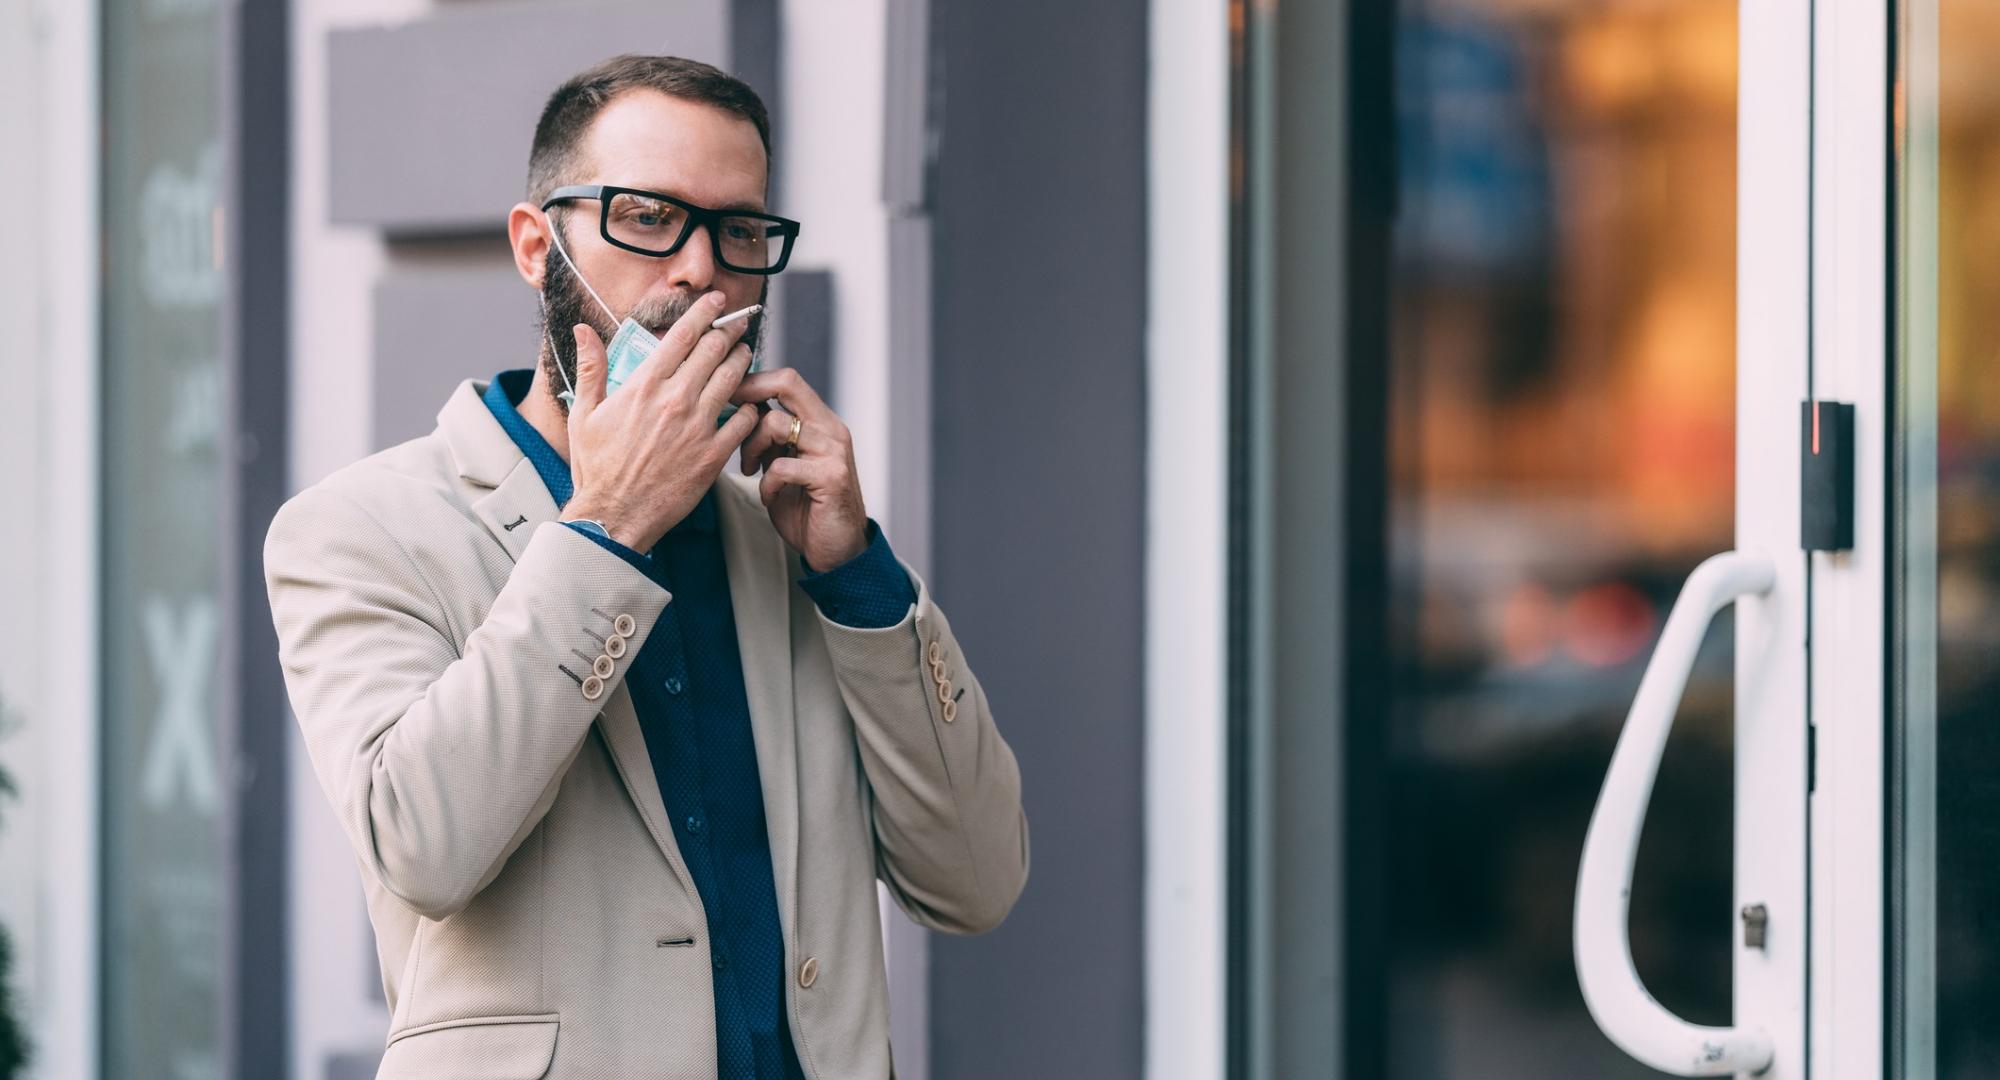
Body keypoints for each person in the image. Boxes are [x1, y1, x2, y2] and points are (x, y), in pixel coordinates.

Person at [263, 54, 1028, 1079]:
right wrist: (607, 529)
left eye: (739, 229)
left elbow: (975, 883)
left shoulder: (791, 533)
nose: (699, 270)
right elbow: (422, 845)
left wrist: (858, 582)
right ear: (538, 249)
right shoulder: (360, 528)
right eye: (646, 217)